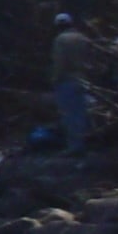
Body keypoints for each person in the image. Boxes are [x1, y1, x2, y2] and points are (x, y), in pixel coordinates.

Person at [49, 13, 94, 151]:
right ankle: (87, 143)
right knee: (83, 113)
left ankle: (75, 146)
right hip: (84, 79)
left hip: (67, 80)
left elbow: (60, 63)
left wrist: (54, 79)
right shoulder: (83, 38)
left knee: (69, 114)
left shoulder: (60, 40)